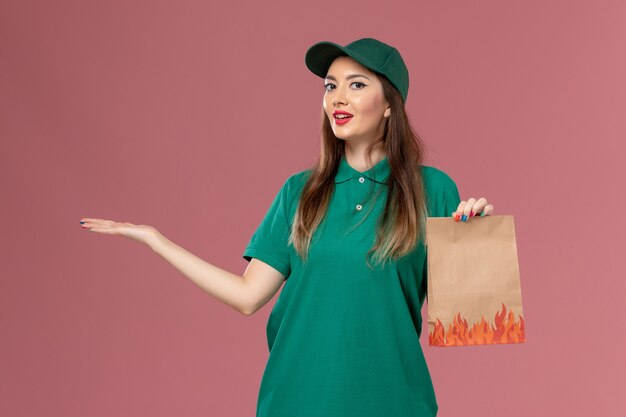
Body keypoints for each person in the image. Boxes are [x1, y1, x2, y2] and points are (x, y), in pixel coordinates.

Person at [79, 37, 494, 417]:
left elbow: (465, 318)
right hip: (296, 402)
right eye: (330, 86)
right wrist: (156, 241)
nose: (337, 98)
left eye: (356, 84)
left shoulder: (432, 190)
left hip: (395, 403)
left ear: (390, 103)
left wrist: (474, 239)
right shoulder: (301, 193)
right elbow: (247, 296)